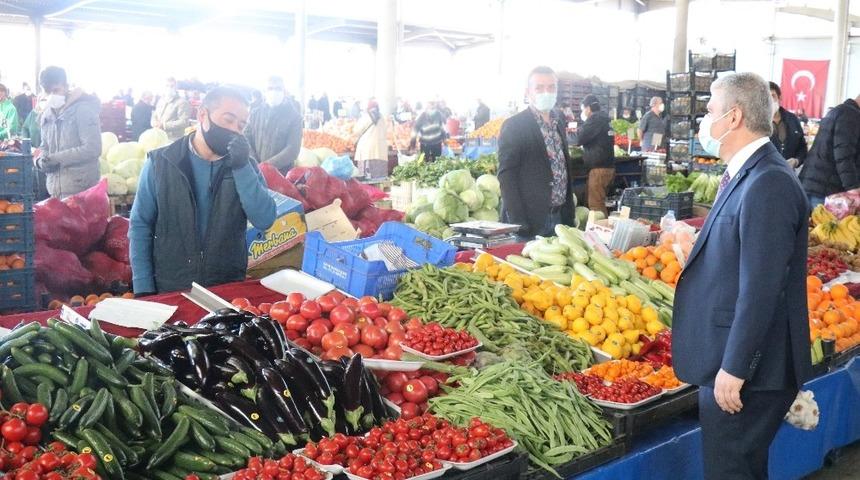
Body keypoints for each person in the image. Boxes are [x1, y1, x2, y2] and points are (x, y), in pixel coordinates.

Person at [673, 72, 812, 480]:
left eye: (710, 110)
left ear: (733, 117)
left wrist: (735, 369)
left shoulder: (768, 181)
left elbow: (762, 288)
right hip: (738, 360)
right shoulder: (749, 172)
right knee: (741, 469)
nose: (705, 120)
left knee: (730, 470)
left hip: (750, 369)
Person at [129, 86, 276, 296]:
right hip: (172, 285)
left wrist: (242, 168)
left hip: (226, 287)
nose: (234, 129)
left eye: (241, 125)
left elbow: (265, 219)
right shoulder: (161, 163)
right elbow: (140, 225)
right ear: (202, 115)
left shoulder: (246, 167)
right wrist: (143, 286)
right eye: (228, 119)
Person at [497, 66, 574, 237]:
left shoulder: (559, 121)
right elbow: (506, 176)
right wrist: (518, 222)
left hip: (560, 217)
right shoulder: (515, 126)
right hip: (530, 220)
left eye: (551, 87)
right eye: (539, 88)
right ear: (528, 92)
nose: (546, 92)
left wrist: (569, 214)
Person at [35, 66, 101, 198]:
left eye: (56, 90)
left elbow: (92, 148)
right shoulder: (47, 114)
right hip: (55, 190)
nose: (51, 96)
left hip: (81, 191)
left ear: (66, 87)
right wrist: (40, 160)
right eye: (47, 92)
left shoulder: (83, 110)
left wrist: (55, 158)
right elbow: (45, 146)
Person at [799, 94, 860, 207]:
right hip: (826, 192)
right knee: (826, 225)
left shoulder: (839, 111)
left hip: (814, 186)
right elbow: (844, 155)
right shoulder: (851, 116)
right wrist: (853, 189)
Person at [246, 76, 304, 174]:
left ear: (284, 92)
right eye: (270, 88)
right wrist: (254, 162)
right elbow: (246, 138)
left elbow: (292, 149)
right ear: (264, 92)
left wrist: (266, 166)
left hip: (281, 175)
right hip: (254, 170)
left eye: (278, 88)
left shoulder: (295, 117)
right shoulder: (255, 114)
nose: (274, 92)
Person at [577, 94, 615, 215]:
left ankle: (602, 230)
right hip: (606, 166)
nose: (583, 112)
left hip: (599, 168)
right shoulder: (605, 119)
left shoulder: (595, 120)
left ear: (588, 108)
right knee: (596, 201)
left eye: (583, 109)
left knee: (596, 205)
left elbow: (579, 138)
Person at [768, 82, 807, 169]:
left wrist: (796, 161)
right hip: (765, 174)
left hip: (788, 174)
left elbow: (802, 147)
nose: (769, 101)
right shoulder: (757, 122)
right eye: (766, 97)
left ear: (779, 98)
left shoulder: (792, 119)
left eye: (772, 96)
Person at [354, 100, 387, 168]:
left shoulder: (366, 117)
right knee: (377, 170)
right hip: (380, 146)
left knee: (366, 168)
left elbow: (356, 130)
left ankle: (366, 176)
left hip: (367, 145)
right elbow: (385, 131)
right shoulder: (382, 117)